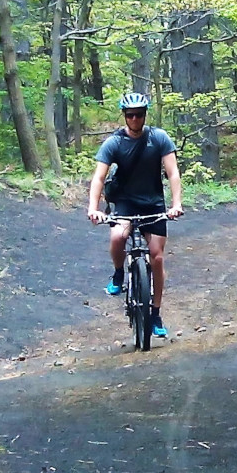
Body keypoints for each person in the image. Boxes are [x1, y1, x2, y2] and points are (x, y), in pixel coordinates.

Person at [88, 92, 184, 338]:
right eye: (130, 115)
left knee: (158, 258)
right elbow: (99, 177)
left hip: (153, 203)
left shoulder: (159, 138)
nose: (134, 119)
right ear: (124, 116)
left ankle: (155, 313)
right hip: (125, 203)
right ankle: (119, 273)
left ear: (145, 115)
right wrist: (93, 208)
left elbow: (172, 173)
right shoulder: (114, 143)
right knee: (117, 237)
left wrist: (176, 204)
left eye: (139, 114)